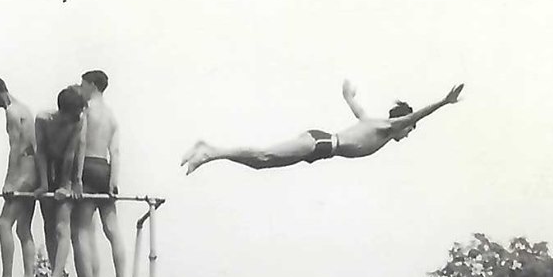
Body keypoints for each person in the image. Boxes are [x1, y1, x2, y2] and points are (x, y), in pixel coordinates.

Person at [181, 81, 463, 174]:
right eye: (409, 130)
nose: (408, 134)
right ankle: (208, 151)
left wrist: (348, 96)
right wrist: (444, 101)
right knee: (264, 155)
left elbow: (356, 107)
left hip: (320, 149)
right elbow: (417, 117)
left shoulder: (371, 123)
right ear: (402, 123)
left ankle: (210, 152)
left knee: (259, 164)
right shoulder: (386, 126)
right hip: (321, 143)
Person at [0, 76, 42, 277]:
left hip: (25, 170)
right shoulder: (25, 108)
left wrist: (9, 182)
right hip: (33, 169)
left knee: (3, 224)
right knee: (23, 228)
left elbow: (15, 147)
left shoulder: (13, 112)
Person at [76, 69, 130, 277]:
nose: (81, 89)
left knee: (83, 229)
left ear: (93, 85)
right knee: (112, 229)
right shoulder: (111, 116)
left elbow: (80, 143)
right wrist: (113, 183)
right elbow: (115, 152)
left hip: (87, 166)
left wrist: (76, 178)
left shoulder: (86, 111)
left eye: (83, 85)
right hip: (105, 169)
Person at [34, 85, 89, 277]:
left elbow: (70, 154)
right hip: (48, 166)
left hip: (66, 167)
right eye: (74, 115)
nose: (78, 117)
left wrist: (69, 184)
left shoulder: (78, 121)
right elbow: (41, 152)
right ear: (63, 112)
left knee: (61, 226)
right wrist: (44, 184)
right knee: (49, 226)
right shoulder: (43, 119)